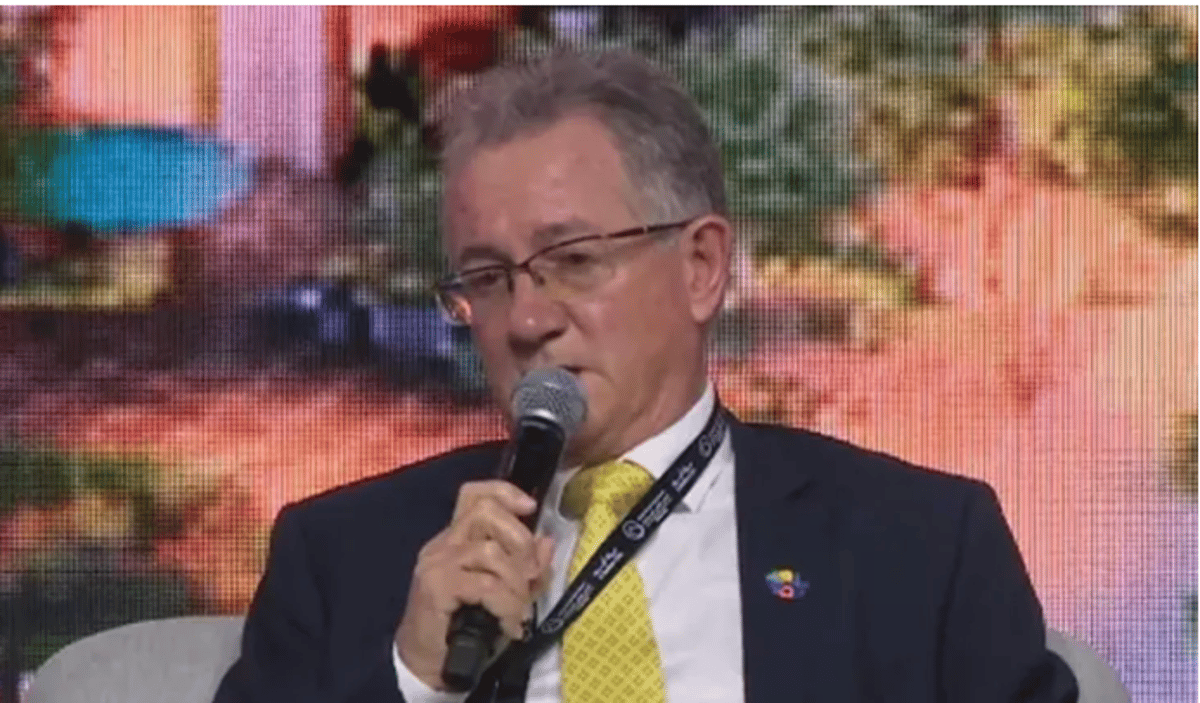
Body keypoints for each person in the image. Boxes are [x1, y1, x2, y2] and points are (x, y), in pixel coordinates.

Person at [214, 49, 1078, 703]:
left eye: (574, 260)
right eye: (487, 277)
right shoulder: (342, 557)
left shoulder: (920, 545)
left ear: (701, 267)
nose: (525, 319)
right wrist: (412, 679)